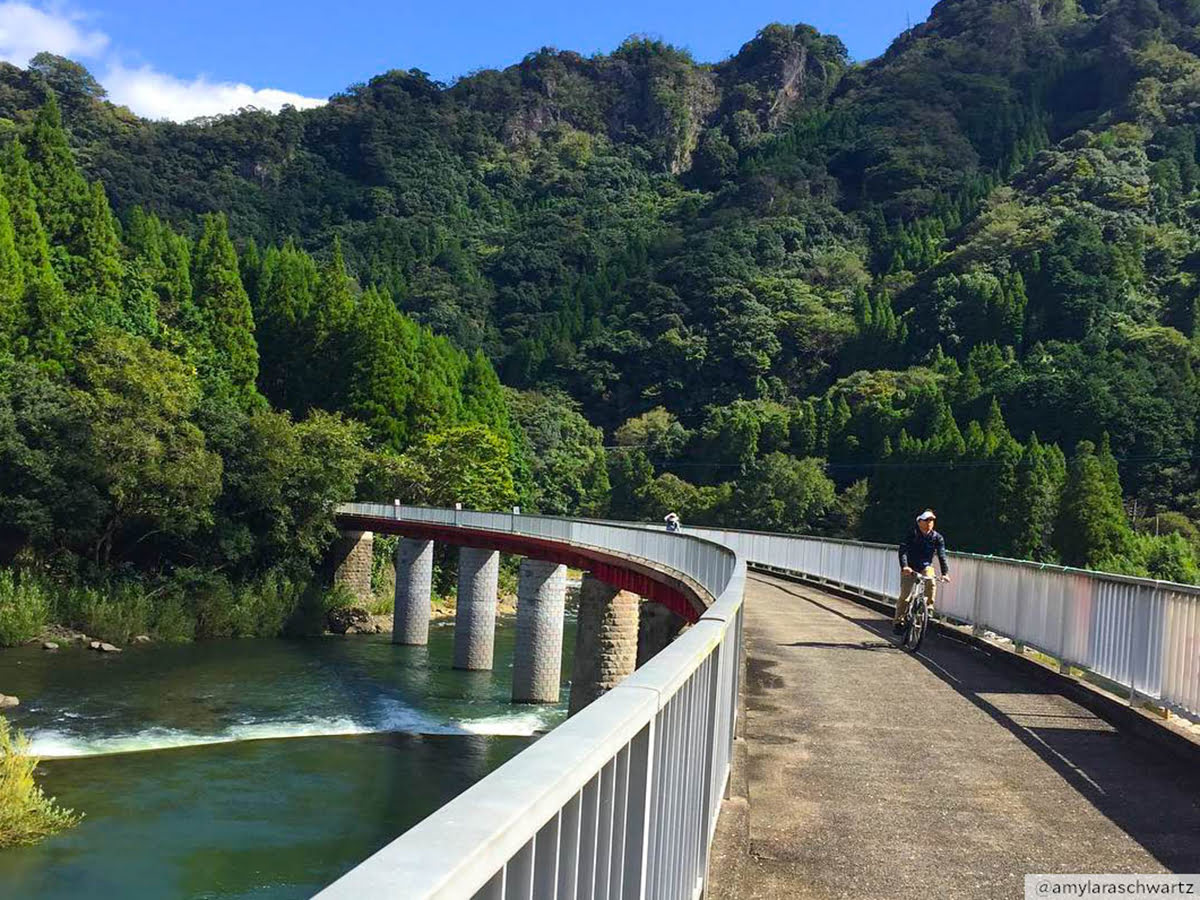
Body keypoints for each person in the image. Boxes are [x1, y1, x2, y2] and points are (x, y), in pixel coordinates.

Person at [894, 509, 950, 634]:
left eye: (931, 520)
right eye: (926, 520)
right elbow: (902, 551)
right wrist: (904, 566)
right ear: (919, 522)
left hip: (925, 566)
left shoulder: (937, 537)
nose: (929, 523)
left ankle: (928, 608)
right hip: (910, 567)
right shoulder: (912, 534)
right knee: (905, 596)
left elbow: (942, 555)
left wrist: (945, 573)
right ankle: (899, 621)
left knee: (931, 581)